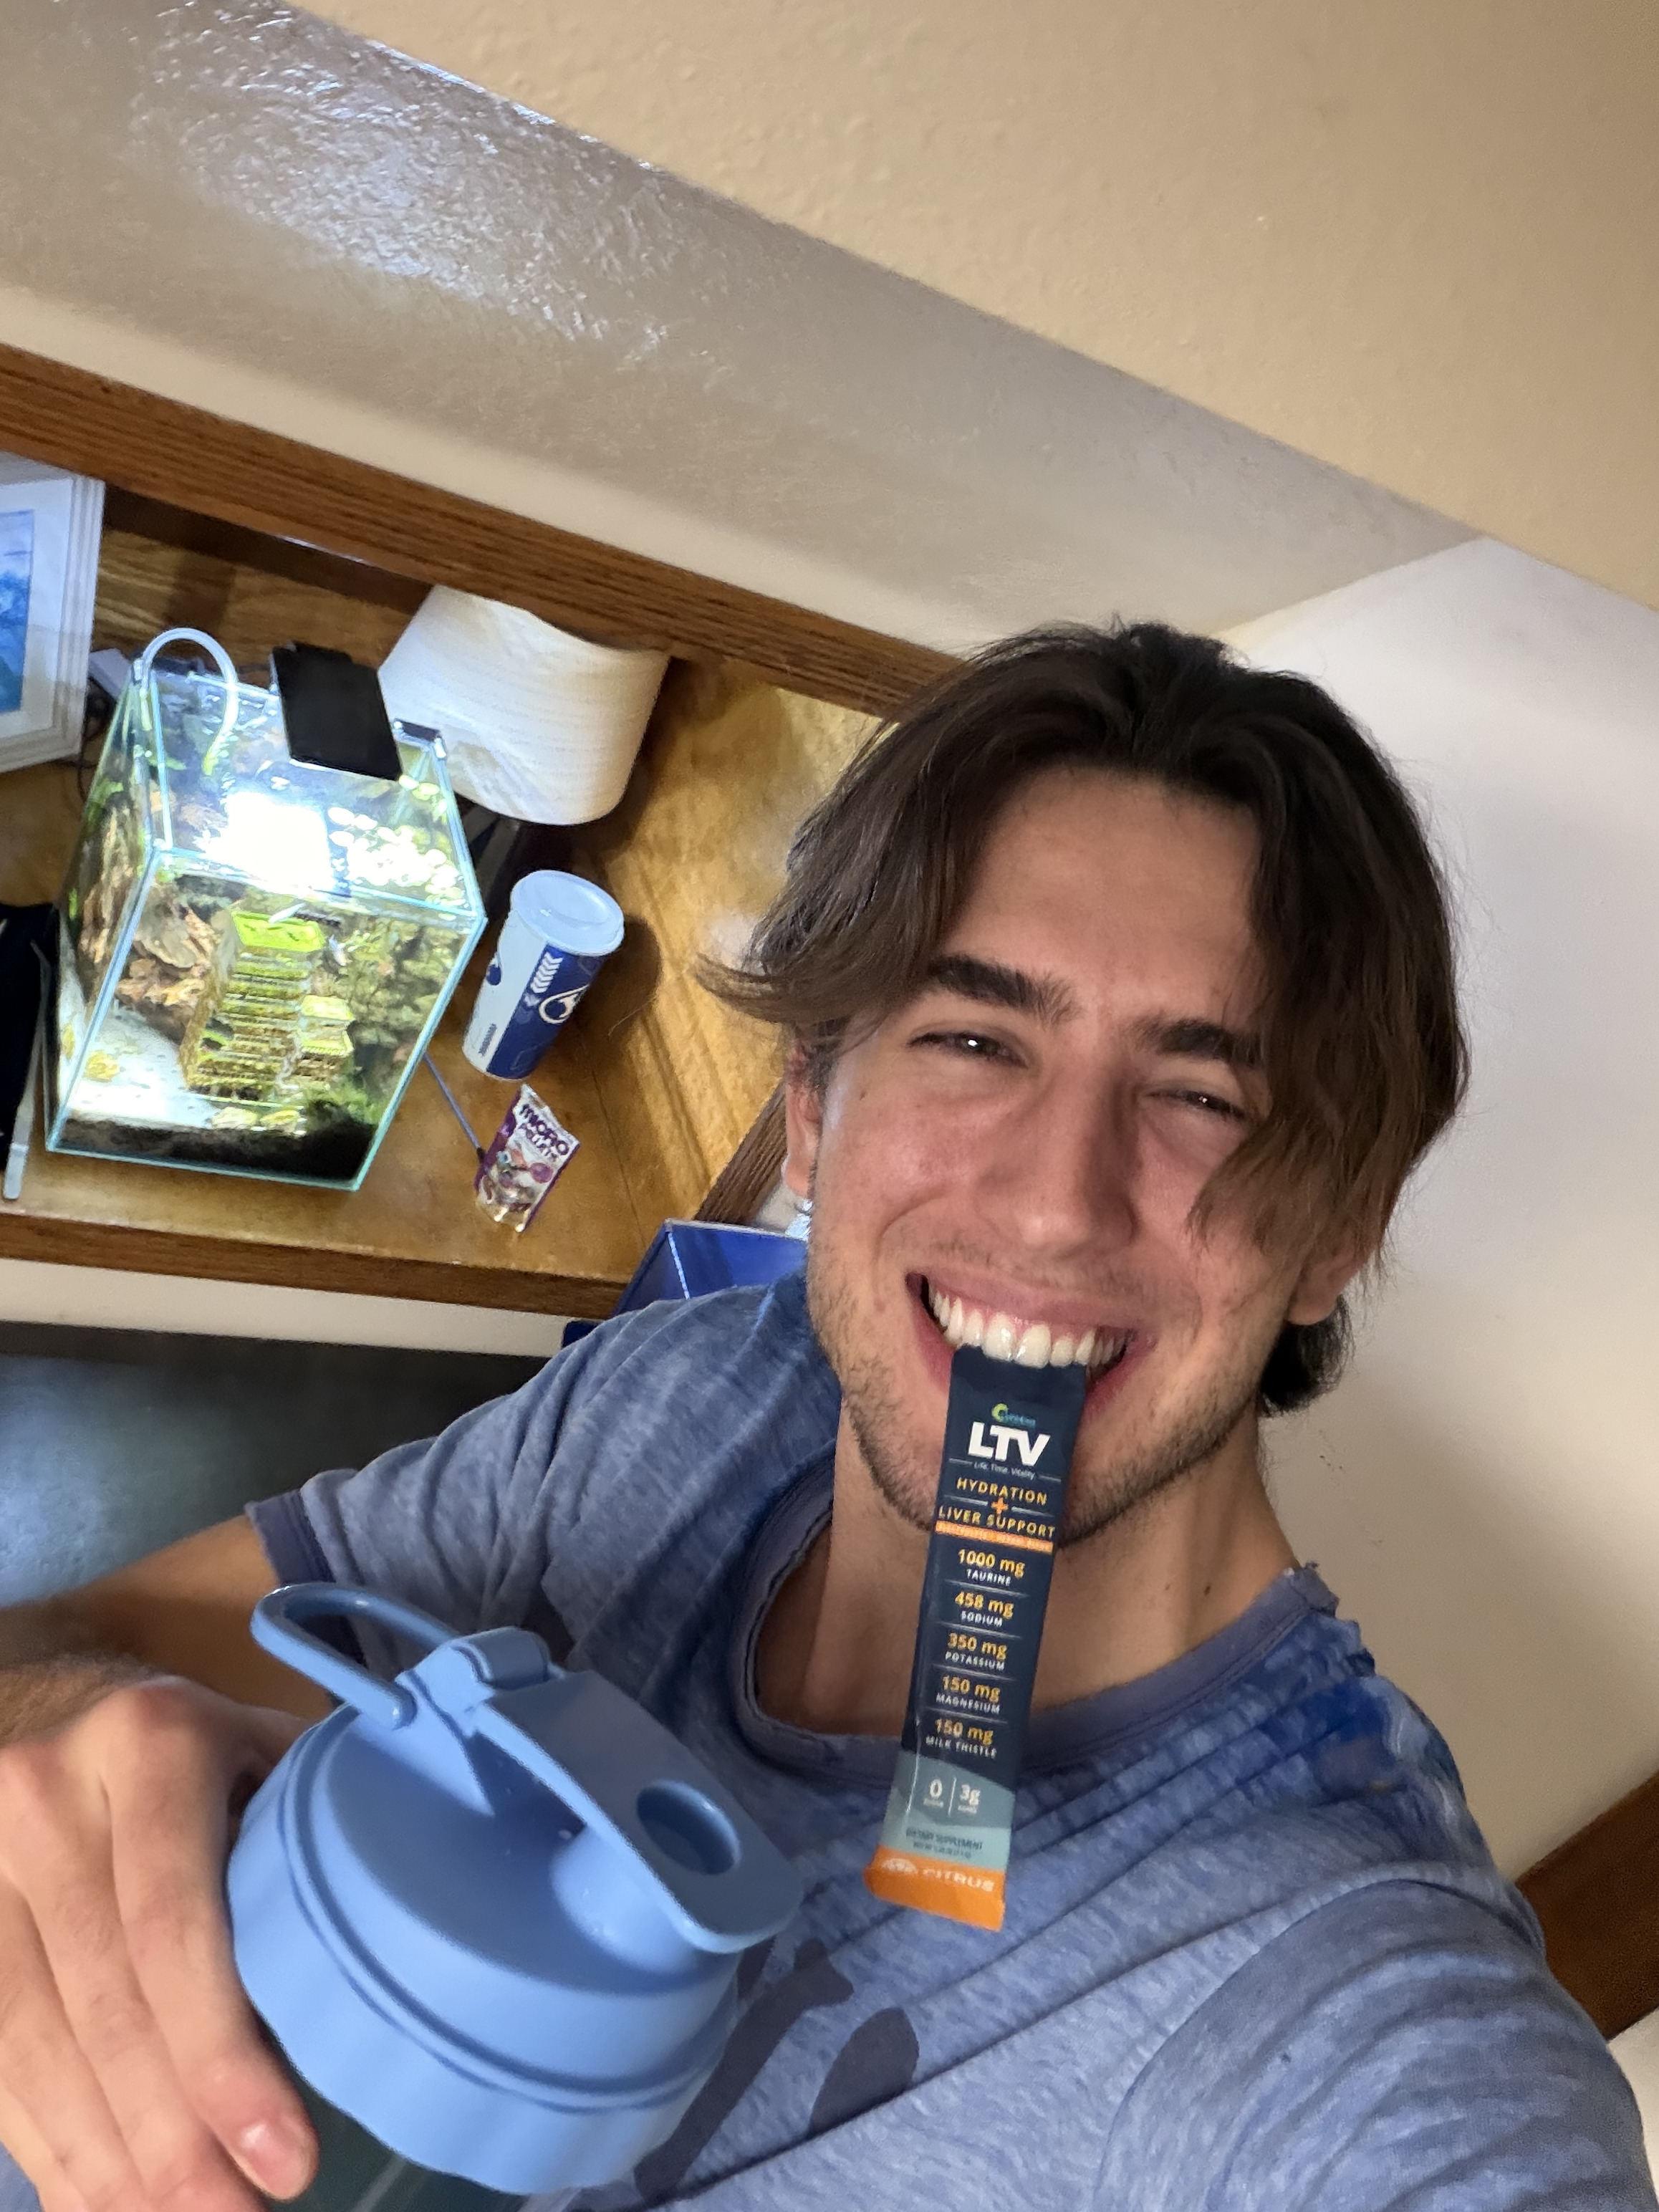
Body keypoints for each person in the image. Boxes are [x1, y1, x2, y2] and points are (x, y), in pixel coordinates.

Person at [0, 624, 1648, 2212]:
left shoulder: (1352, 2002)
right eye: (976, 1034)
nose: (1057, 1205)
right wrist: (74, 1742)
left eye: (1202, 1093)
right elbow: (93, 1635)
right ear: (810, 1109)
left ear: (1338, 1228)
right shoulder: (702, 1386)